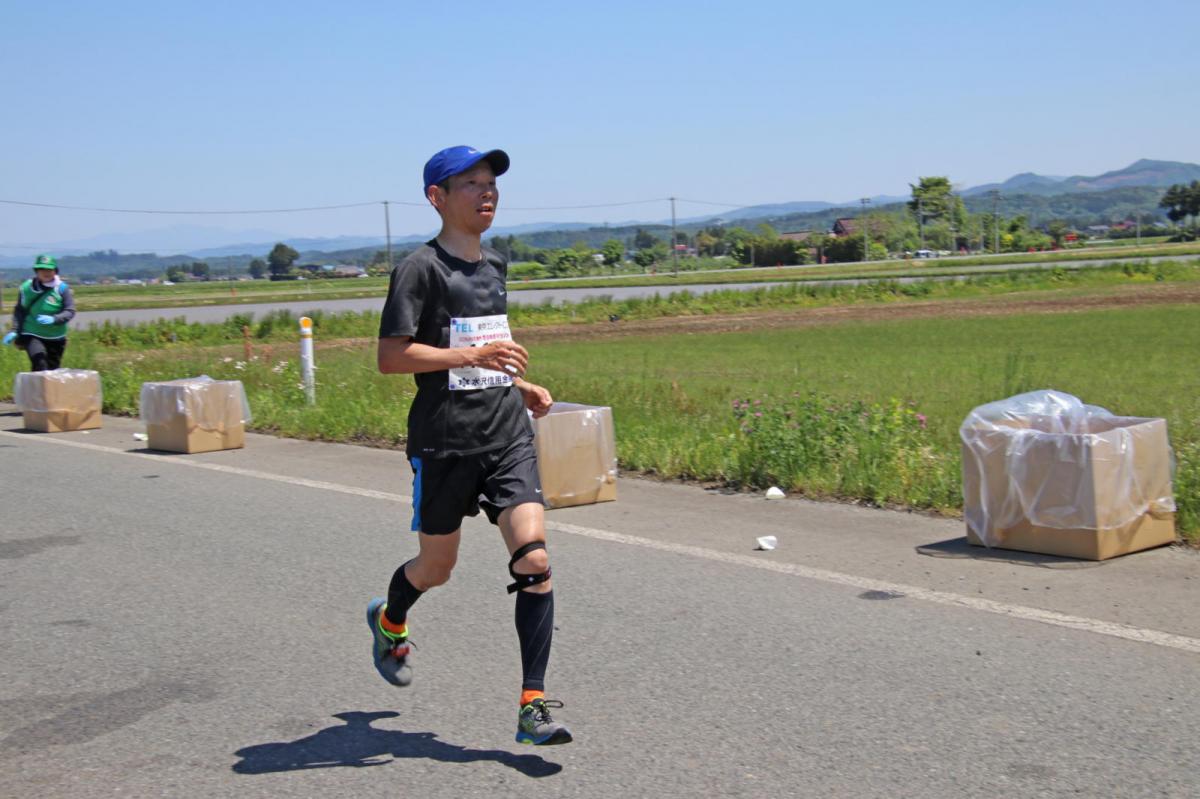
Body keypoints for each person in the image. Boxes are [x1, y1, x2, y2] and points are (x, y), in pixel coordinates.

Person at [368, 146, 571, 746]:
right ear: (437, 197)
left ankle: (533, 704)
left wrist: (518, 384)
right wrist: (472, 356)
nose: (488, 193)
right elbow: (391, 356)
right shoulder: (419, 269)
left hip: (506, 434)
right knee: (437, 568)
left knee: (534, 560)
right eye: (472, 184)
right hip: (445, 443)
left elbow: (484, 348)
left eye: (492, 183)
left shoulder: (496, 263)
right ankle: (390, 619)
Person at [2, 254, 76, 370]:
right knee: (40, 363)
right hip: (32, 333)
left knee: (53, 370)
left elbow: (70, 311)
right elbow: (20, 310)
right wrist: (14, 330)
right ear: (36, 271)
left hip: (56, 336)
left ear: (55, 271)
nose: (46, 272)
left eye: (49, 269)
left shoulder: (62, 288)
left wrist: (55, 319)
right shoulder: (26, 288)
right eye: (42, 269)